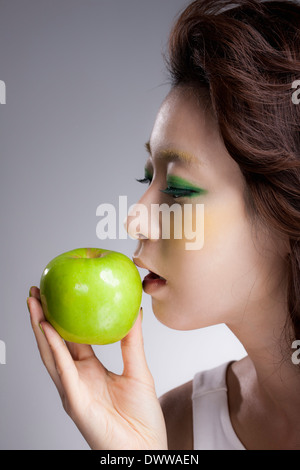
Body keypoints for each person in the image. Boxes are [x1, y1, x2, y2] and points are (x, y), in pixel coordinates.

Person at [27, 0, 300, 450]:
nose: (134, 216)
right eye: (147, 176)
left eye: (178, 189)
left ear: (287, 213)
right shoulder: (169, 433)